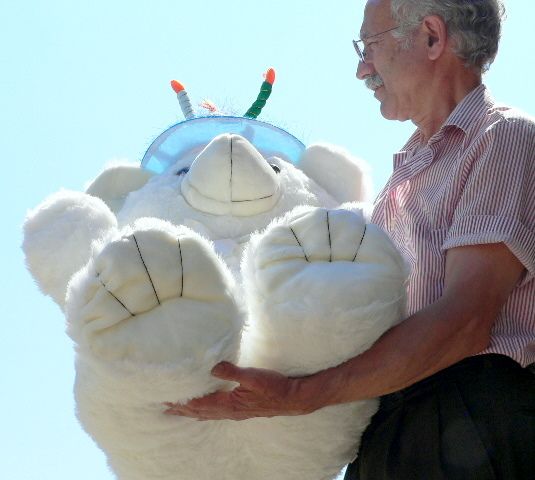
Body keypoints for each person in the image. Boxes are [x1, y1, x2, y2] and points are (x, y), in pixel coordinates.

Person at [164, 0, 535, 478]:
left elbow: (466, 320)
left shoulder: (503, 138)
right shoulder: (403, 178)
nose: (362, 68)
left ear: (431, 37)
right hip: (389, 429)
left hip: (472, 423)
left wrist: (301, 395)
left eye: (369, 46)